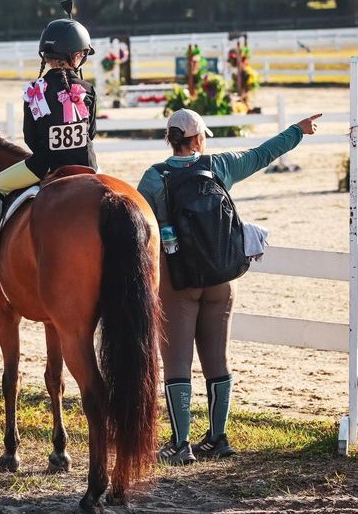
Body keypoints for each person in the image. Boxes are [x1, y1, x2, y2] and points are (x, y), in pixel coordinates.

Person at [137, 108, 321, 465]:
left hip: (178, 281)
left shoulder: (154, 178)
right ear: (199, 138)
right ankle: (218, 439)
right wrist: (297, 131)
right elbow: (263, 154)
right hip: (221, 279)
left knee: (177, 363)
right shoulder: (218, 167)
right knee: (217, 359)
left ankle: (179, 444)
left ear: (170, 139)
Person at [0, 17, 97, 275]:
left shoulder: (36, 91)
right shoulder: (88, 89)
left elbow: (30, 139)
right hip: (87, 166)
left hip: (45, 167)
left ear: (46, 57)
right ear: (77, 55)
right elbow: (91, 132)